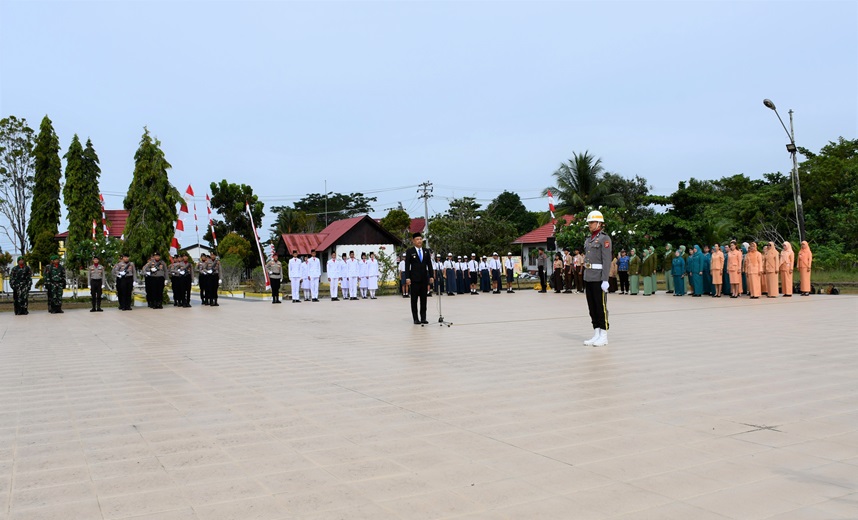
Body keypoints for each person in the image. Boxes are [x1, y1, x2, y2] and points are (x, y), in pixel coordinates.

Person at [581, 211, 612, 347]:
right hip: (589, 275)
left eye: (592, 222)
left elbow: (607, 261)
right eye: (589, 222)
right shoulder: (588, 239)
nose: (590, 225)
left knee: (601, 307)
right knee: (592, 306)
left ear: (599, 223)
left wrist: (605, 279)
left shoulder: (605, 239)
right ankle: (596, 333)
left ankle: (604, 335)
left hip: (599, 277)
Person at [404, 233, 433, 325]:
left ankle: (423, 317)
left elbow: (429, 264)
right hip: (414, 279)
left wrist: (431, 276)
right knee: (414, 299)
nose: (419, 241)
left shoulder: (426, 251)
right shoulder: (410, 251)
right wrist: (407, 277)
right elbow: (407, 265)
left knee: (424, 299)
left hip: (424, 278)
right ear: (413, 241)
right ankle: (416, 318)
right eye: (417, 239)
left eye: (420, 239)